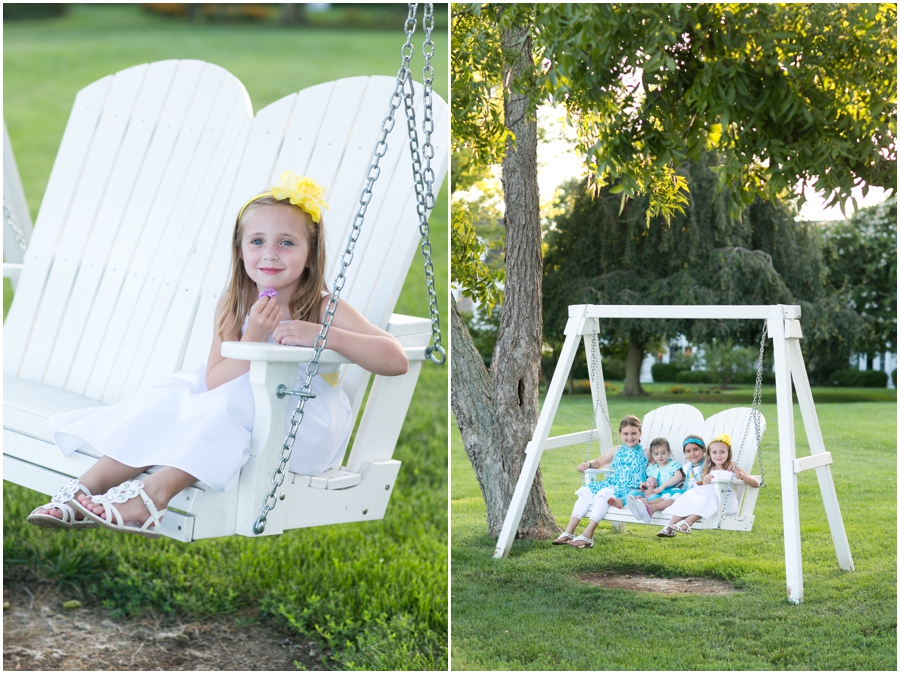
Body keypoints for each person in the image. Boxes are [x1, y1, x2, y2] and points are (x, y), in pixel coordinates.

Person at [26, 171, 409, 538]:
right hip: (239, 407)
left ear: (310, 255)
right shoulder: (234, 303)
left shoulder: (323, 307)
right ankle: (84, 489)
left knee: (230, 404)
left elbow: (395, 359)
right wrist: (256, 335)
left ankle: (152, 497)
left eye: (287, 243)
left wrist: (324, 336)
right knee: (172, 396)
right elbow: (216, 380)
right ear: (239, 251)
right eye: (257, 242)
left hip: (302, 427)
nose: (270, 254)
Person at [551, 415, 648, 549]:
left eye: (633, 433)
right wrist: (588, 463)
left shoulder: (646, 452)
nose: (629, 437)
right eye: (625, 433)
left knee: (604, 493)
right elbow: (599, 462)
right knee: (586, 491)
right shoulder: (617, 450)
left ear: (640, 433)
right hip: (613, 484)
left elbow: (659, 466)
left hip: (629, 489)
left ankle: (588, 535)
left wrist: (650, 484)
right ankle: (569, 531)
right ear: (620, 434)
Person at [656, 433, 759, 537]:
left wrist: (743, 476)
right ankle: (670, 527)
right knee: (689, 495)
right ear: (709, 455)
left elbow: (756, 483)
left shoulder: (733, 468)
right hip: (710, 499)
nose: (718, 455)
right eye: (714, 452)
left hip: (724, 502)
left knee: (707, 498)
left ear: (729, 453)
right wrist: (706, 480)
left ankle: (688, 523)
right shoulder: (709, 469)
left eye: (722, 452)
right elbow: (705, 488)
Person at [627, 435, 705, 523]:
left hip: (667, 492)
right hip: (653, 492)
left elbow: (678, 477)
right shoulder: (652, 468)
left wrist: (662, 487)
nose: (660, 456)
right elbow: (650, 480)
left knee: (660, 496)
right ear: (652, 455)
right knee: (635, 492)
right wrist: (645, 485)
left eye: (663, 453)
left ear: (669, 452)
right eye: (656, 454)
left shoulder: (673, 465)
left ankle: (643, 504)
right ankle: (635, 502)